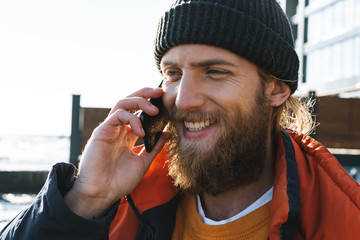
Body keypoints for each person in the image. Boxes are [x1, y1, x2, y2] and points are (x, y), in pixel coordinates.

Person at [1, 0, 360, 239]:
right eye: (173, 73)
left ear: (276, 90)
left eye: (215, 72)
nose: (184, 99)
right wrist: (86, 197)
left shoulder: (340, 217)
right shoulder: (120, 205)